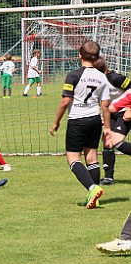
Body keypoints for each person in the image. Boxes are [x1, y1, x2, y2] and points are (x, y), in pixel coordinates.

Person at [49, 40, 111, 209]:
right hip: (94, 120)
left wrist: (56, 122)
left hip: (77, 120)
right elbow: (105, 105)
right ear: (97, 57)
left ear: (79, 55)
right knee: (91, 157)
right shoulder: (102, 77)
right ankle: (94, 198)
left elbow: (65, 101)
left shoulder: (73, 75)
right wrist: (107, 128)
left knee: (73, 159)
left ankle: (92, 188)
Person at [96, 58, 131, 185]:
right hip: (111, 112)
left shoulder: (115, 78)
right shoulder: (96, 82)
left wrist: (129, 109)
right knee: (107, 141)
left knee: (116, 141)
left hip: (124, 112)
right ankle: (108, 178)